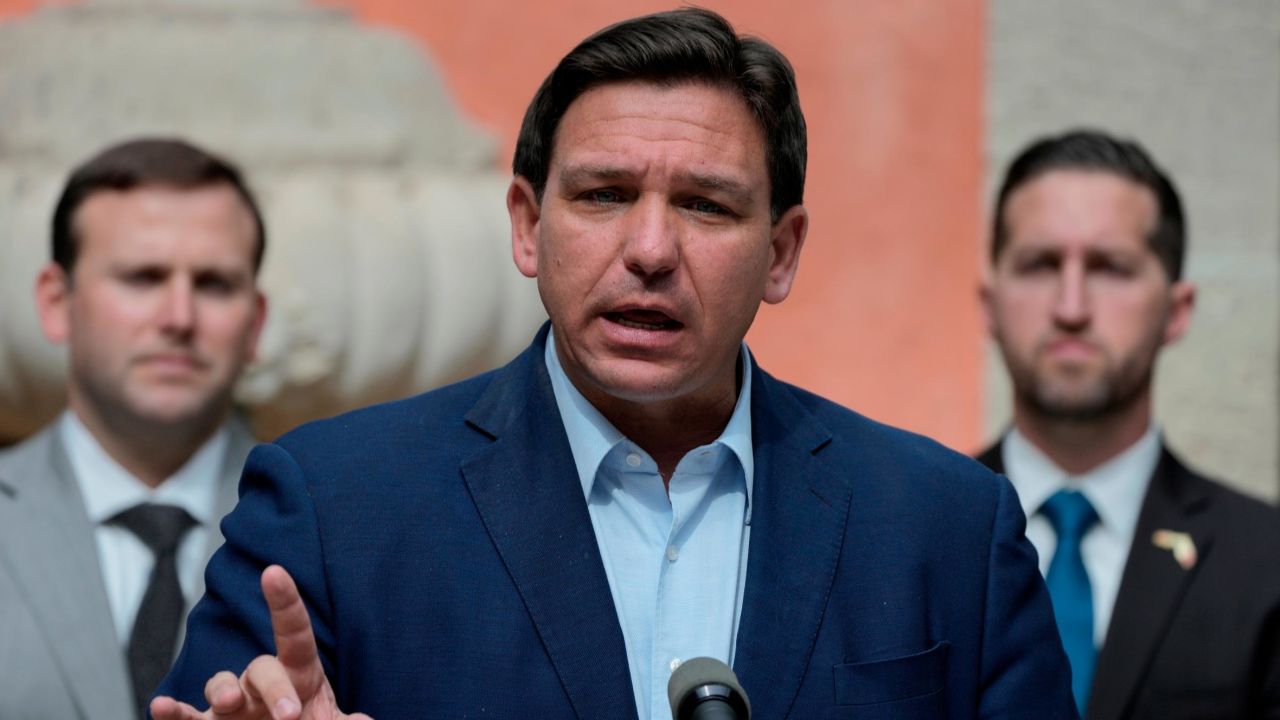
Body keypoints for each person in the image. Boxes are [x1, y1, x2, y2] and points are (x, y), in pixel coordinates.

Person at [153, 9, 1075, 720]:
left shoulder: (946, 528)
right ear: (527, 225)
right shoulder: (333, 506)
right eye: (603, 194)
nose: (649, 249)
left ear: (783, 252)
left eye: (707, 206)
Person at [977, 129, 1280, 720]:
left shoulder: (1267, 562)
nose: (1071, 308)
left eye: (1111, 267)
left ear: (1177, 309)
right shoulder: (907, 538)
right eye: (1040, 265)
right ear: (990, 305)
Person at [0, 138, 268, 720]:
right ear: (55, 301)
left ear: (256, 323)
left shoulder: (331, 526)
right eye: (143, 277)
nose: (179, 318)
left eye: (214, 284)